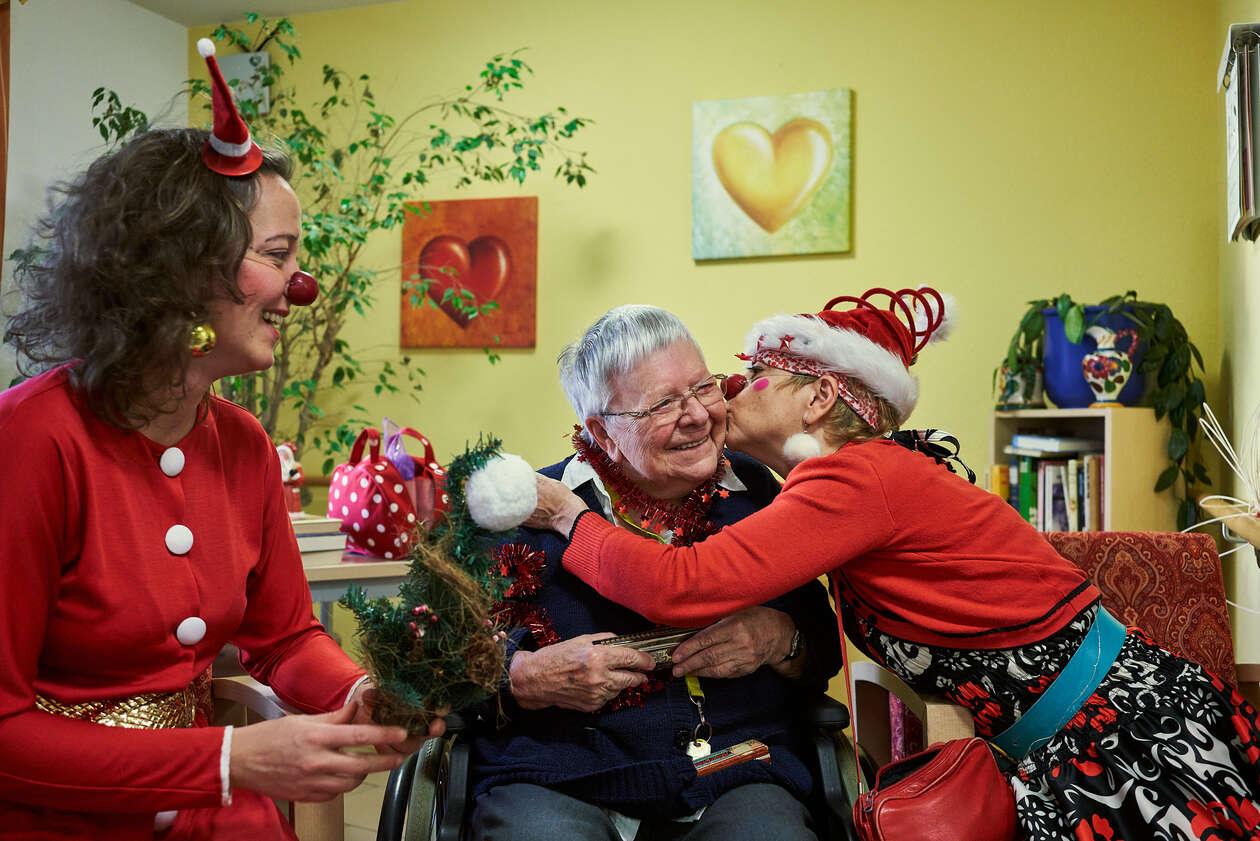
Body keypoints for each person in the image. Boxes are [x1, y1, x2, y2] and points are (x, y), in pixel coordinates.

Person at [531, 287, 1260, 841]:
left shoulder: (854, 480)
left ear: (818, 396)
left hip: (1121, 732)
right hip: (1067, 736)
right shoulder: (846, 482)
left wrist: (567, 512)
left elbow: (677, 584)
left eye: (751, 377)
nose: (721, 393)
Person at [0, 41, 435, 840]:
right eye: (278, 256)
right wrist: (231, 760)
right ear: (181, 270)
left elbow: (287, 636)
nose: (299, 290)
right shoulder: (32, 441)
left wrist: (360, 689)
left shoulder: (241, 441)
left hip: (215, 818)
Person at [467, 305, 842, 841]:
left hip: (737, 771)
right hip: (561, 776)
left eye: (703, 388)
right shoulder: (526, 510)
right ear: (602, 430)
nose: (696, 415)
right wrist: (523, 675)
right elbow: (433, 661)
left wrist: (781, 639)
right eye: (662, 404)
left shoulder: (758, 496)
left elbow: (822, 652)